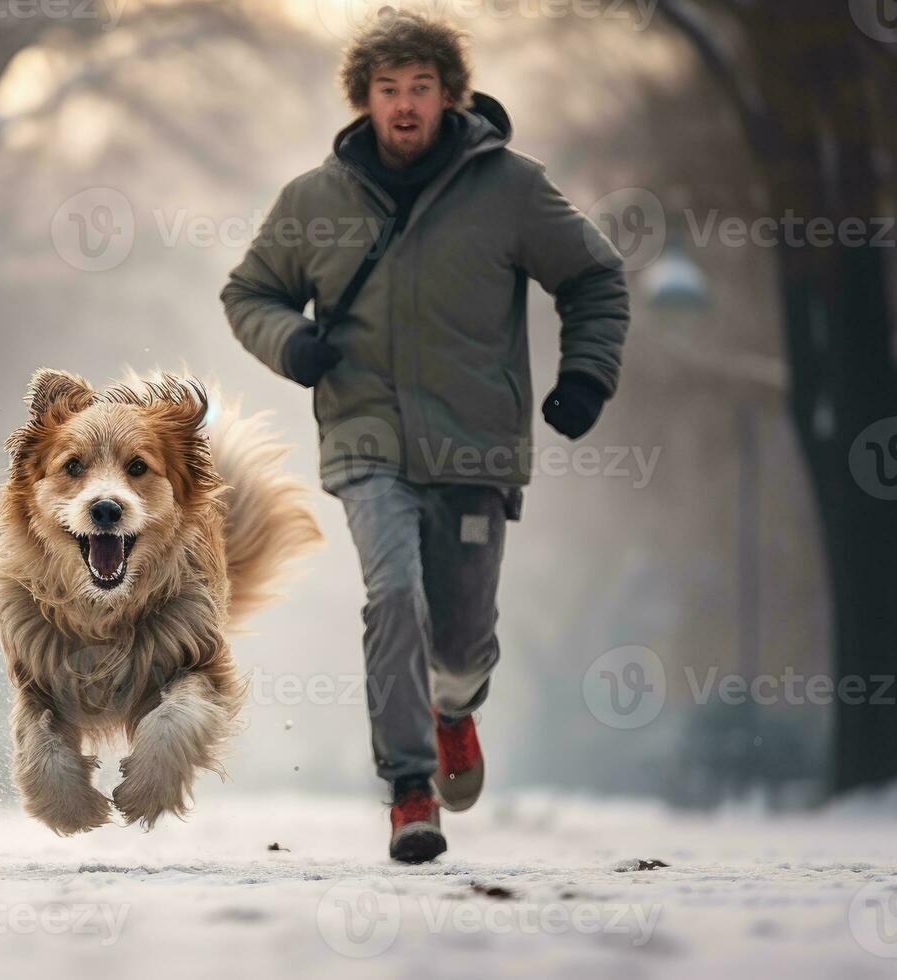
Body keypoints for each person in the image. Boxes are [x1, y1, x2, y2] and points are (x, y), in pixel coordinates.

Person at [220, 10, 629, 862]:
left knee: (463, 640)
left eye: (420, 89)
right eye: (387, 90)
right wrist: (293, 343)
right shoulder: (313, 200)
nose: (404, 106)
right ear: (362, 100)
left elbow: (594, 278)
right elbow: (248, 293)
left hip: (476, 446)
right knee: (393, 594)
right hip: (365, 440)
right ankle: (409, 789)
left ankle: (455, 708)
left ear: (451, 95)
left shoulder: (512, 189)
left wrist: (586, 377)